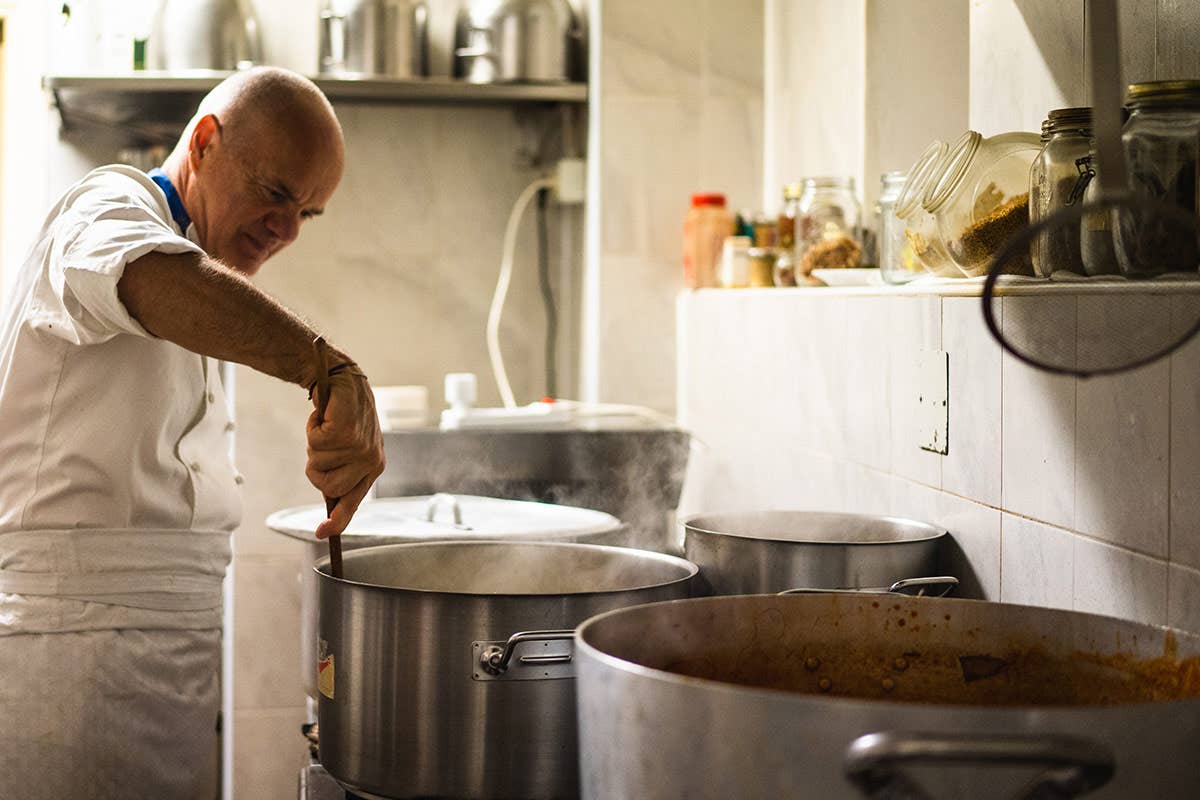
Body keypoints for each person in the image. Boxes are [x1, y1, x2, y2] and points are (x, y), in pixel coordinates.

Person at [0, 67, 384, 797]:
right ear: (204, 142)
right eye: (276, 194)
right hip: (71, 653)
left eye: (310, 212)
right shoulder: (108, 207)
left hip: (158, 655)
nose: (288, 229)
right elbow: (142, 273)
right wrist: (328, 369)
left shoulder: (196, 262)